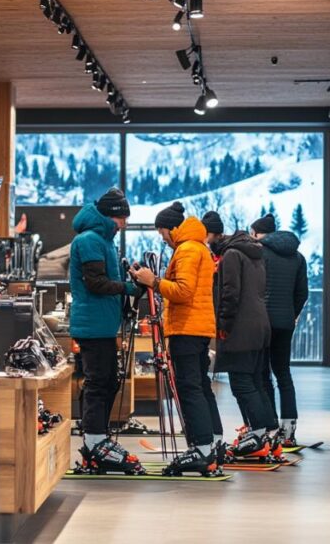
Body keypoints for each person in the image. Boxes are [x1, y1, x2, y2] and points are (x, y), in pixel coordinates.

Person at [132, 201, 223, 474]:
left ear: (172, 229)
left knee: (188, 388)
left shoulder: (187, 250)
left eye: (162, 233)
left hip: (187, 328)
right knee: (199, 386)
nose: (163, 239)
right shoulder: (198, 247)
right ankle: (208, 445)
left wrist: (153, 281)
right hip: (197, 327)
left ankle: (201, 449)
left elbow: (183, 291)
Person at [69, 187, 144, 474]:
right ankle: (94, 443)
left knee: (108, 381)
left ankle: (98, 438)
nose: (124, 224)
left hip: (103, 324)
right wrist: (127, 288)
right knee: (99, 382)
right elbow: (96, 283)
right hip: (93, 325)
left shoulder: (104, 241)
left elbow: (106, 278)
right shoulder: (89, 240)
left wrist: (128, 276)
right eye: (122, 218)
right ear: (111, 216)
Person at [209, 229, 276, 460]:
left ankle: (257, 435)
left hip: (240, 328)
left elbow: (230, 293)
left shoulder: (232, 255)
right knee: (256, 381)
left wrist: (223, 325)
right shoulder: (254, 254)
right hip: (260, 325)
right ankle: (267, 434)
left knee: (242, 384)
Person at [251, 214, 308, 447]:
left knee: (262, 374)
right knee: (283, 373)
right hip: (285, 323)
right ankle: (289, 430)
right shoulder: (298, 256)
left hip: (261, 322)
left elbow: (254, 289)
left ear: (257, 234)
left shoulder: (259, 254)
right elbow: (302, 293)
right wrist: (291, 314)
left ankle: (269, 426)